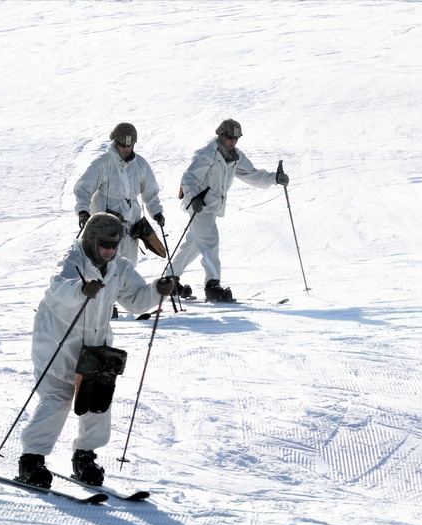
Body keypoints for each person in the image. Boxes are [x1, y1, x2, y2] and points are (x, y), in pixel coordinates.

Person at [17, 213, 175, 488]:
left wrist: (157, 290)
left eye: (115, 245)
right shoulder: (72, 260)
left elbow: (136, 302)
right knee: (58, 397)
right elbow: (59, 288)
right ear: (90, 240)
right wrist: (82, 289)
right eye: (105, 244)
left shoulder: (118, 266)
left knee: (97, 396)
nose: (110, 250)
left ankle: (84, 457)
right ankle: (31, 460)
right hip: (56, 339)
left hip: (95, 341)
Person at [175, 118, 289, 302]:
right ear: (220, 135)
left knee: (196, 243)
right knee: (210, 241)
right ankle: (212, 286)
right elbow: (188, 177)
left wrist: (274, 178)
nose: (233, 141)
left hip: (210, 207)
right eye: (229, 137)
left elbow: (252, 174)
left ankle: (170, 278)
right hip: (200, 206)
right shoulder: (208, 154)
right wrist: (194, 197)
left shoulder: (235, 156)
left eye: (236, 138)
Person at [73, 122, 165, 267]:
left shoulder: (140, 165)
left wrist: (157, 212)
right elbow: (83, 188)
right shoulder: (103, 163)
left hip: (131, 229)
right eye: (122, 145)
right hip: (105, 229)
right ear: (115, 141)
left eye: (130, 145)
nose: (126, 148)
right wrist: (83, 211)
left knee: (128, 269)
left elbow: (151, 192)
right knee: (105, 268)